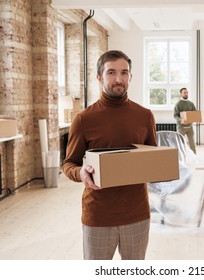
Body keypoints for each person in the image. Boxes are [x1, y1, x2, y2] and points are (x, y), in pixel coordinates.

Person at [62, 50, 157, 260]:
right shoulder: (84, 119)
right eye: (111, 72)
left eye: (124, 73)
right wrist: (81, 173)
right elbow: (69, 164)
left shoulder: (145, 116)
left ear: (130, 76)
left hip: (137, 214)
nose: (118, 79)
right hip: (98, 215)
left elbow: (153, 159)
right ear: (99, 77)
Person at [174, 87, 197, 153]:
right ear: (181, 94)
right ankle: (180, 155)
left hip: (190, 127)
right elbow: (175, 115)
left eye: (187, 92)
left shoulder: (191, 103)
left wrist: (195, 118)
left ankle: (194, 155)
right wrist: (181, 119)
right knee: (180, 142)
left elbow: (195, 113)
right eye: (184, 93)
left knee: (192, 142)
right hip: (181, 127)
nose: (186, 94)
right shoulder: (178, 104)